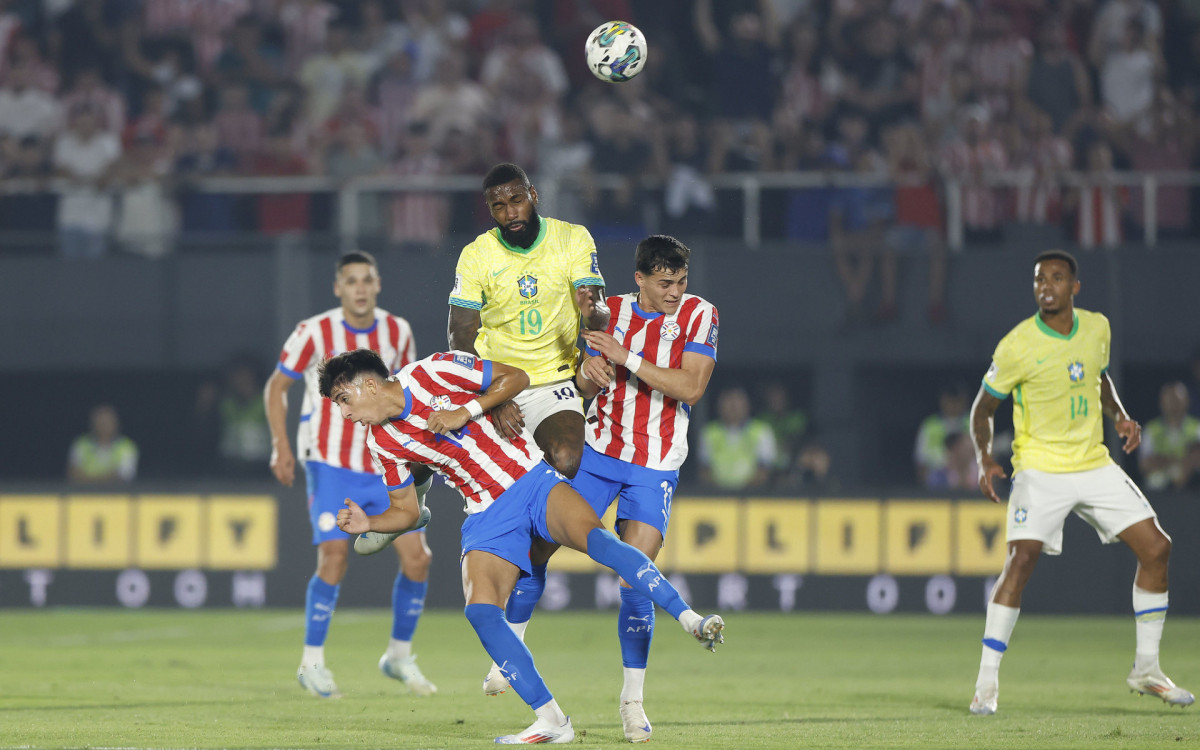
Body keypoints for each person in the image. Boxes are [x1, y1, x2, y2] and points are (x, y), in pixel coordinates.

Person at [321, 348, 725, 744]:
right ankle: (552, 720)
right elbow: (406, 511)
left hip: (530, 479)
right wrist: (369, 522)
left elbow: (516, 378)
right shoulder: (382, 443)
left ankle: (690, 618)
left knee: (599, 542)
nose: (345, 414)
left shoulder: (434, 371)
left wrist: (467, 411)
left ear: (370, 385)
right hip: (484, 512)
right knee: (480, 610)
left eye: (344, 399)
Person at [480, 234, 719, 742]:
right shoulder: (605, 313)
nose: (675, 292)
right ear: (639, 279)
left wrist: (625, 358)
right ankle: (511, 654)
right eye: (663, 283)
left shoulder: (701, 315)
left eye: (680, 281)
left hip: (654, 464)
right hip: (599, 455)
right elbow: (575, 381)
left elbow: (692, 387)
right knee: (536, 549)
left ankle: (632, 701)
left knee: (636, 582)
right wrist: (586, 374)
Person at [968, 249, 1193, 715]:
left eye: (1056, 277)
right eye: (1038, 279)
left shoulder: (1097, 327)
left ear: (1075, 287)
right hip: (1039, 467)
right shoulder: (1016, 345)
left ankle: (1146, 670)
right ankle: (985, 685)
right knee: (1020, 560)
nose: (1045, 285)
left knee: (1157, 548)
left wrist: (1122, 416)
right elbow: (983, 408)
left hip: (1092, 463)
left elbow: (1098, 376)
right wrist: (984, 456)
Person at [448, 161, 610, 699]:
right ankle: (424, 492)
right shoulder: (477, 255)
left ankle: (523, 589)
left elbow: (594, 306)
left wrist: (594, 342)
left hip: (553, 380)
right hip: (497, 382)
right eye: (498, 204)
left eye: (516, 199)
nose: (509, 212)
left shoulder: (571, 238)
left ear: (533, 195)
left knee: (566, 459)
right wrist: (488, 399)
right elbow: (460, 334)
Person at [263, 251, 436, 699]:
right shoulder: (313, 331)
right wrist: (281, 444)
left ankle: (398, 656)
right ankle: (312, 664)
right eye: (351, 281)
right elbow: (276, 387)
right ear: (338, 288)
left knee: (418, 559)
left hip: (385, 464)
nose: (359, 288)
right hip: (330, 463)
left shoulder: (397, 331)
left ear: (377, 284)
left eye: (366, 280)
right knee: (334, 558)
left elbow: (403, 392)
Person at [697, 387, 777, 491]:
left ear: (748, 404)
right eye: (728, 400)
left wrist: (740, 495)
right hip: (717, 498)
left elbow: (764, 472)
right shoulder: (709, 433)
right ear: (719, 405)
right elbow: (704, 471)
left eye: (738, 399)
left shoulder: (762, 431)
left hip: (754, 497)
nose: (733, 405)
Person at [1138, 381, 1200, 491]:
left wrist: (1185, 467)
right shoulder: (1152, 430)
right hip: (1161, 489)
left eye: (1177, 400)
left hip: (1192, 486)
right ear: (1161, 402)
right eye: (1169, 399)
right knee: (1155, 480)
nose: (1173, 404)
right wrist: (1175, 463)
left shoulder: (1196, 428)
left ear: (1187, 401)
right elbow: (1145, 464)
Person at [915, 383, 970, 487]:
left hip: (970, 484)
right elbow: (921, 463)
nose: (954, 405)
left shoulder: (974, 423)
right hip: (938, 484)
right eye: (950, 400)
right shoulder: (929, 425)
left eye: (957, 401)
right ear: (942, 400)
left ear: (965, 401)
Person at [67, 404, 139, 484]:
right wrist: (107, 477)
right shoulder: (81, 444)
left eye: (107, 422)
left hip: (116, 495)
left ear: (115, 423)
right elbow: (73, 474)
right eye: (100, 422)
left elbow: (124, 476)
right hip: (85, 494)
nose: (103, 426)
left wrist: (88, 478)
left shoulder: (126, 446)